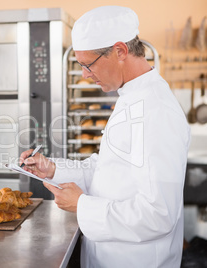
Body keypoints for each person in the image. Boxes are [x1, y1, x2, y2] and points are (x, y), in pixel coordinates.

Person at [20, 6, 191, 268]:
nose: (85, 75)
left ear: (120, 50)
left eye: (88, 65)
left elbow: (159, 214)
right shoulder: (129, 97)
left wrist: (82, 206)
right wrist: (53, 169)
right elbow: (108, 172)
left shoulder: (156, 111)